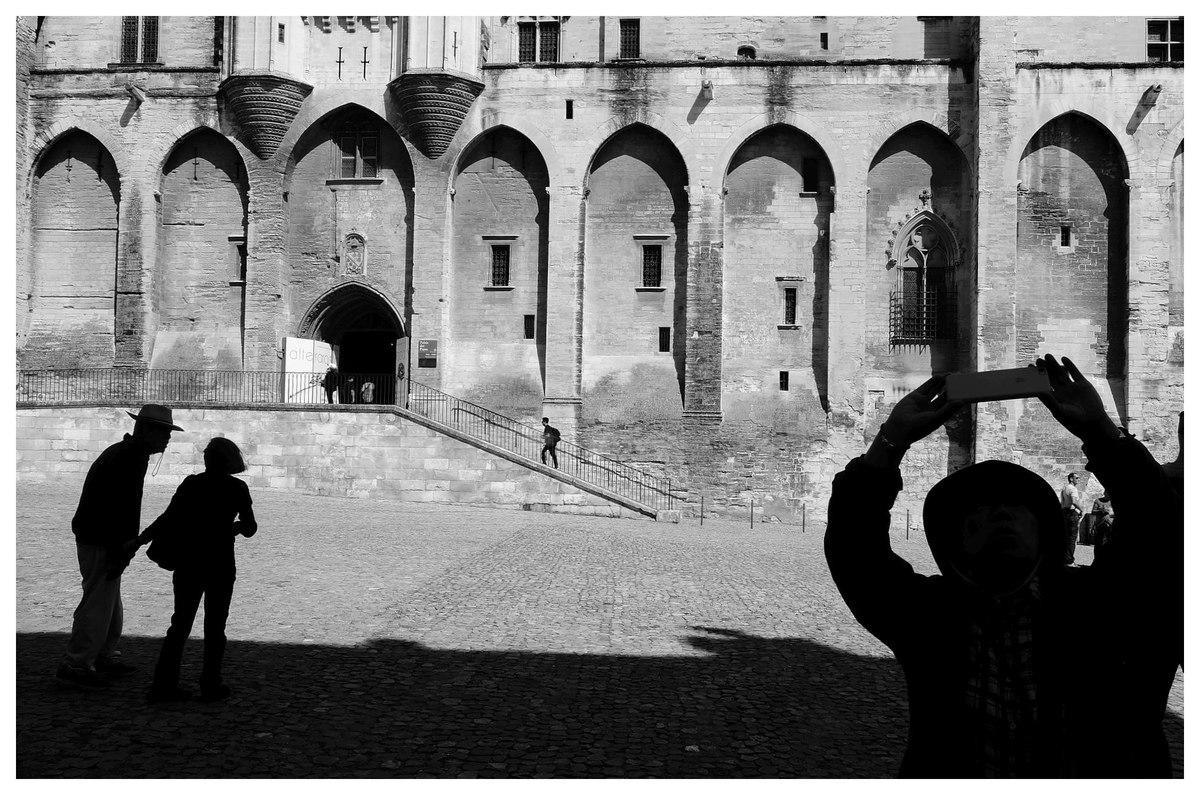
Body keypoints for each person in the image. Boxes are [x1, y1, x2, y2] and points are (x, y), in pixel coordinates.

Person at [825, 355, 1181, 777]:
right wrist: (890, 440)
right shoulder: (929, 617)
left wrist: (1100, 431)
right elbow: (855, 549)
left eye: (1012, 508)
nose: (997, 517)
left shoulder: (1098, 602)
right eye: (976, 517)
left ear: (1043, 530)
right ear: (955, 547)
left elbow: (1156, 529)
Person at [55, 404, 183, 691]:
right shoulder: (128, 458)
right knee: (98, 602)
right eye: (163, 432)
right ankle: (76, 664)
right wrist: (121, 548)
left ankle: (103, 655)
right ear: (145, 430)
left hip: (101, 535)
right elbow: (117, 508)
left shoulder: (127, 454)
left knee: (107, 600)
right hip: (102, 538)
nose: (167, 438)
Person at [137, 437, 257, 703]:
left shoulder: (192, 484)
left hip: (189, 561)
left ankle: (163, 685)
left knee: (179, 625)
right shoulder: (237, 488)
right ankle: (211, 684)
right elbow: (250, 528)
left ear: (208, 458)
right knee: (215, 627)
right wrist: (230, 528)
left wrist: (141, 539)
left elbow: (168, 517)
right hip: (220, 562)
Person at [1059, 472, 1083, 564]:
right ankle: (1069, 559)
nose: (1078, 479)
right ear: (1071, 479)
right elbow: (1074, 501)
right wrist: (1081, 509)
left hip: (1065, 512)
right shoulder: (1073, 489)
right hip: (1072, 513)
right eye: (1077, 478)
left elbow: (1062, 501)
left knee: (1065, 536)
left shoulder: (1065, 488)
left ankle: (1064, 557)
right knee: (1072, 537)